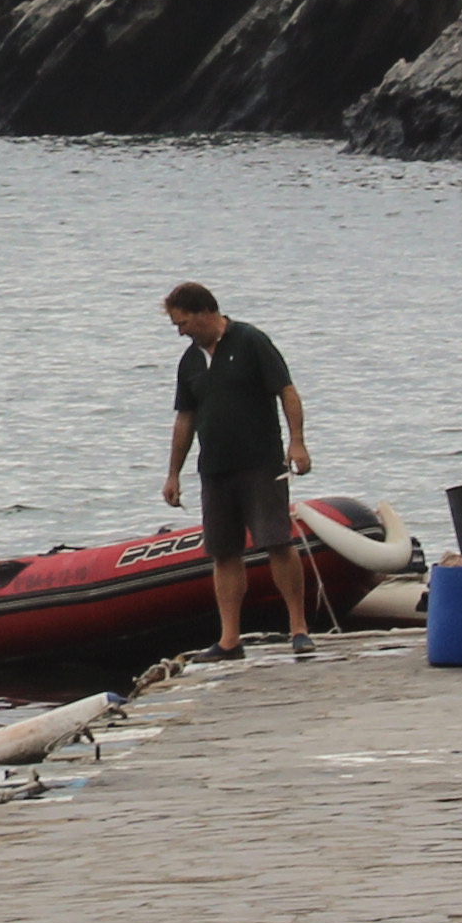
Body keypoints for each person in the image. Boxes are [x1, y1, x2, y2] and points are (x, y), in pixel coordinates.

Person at [156, 281, 315, 662]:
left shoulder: (250, 341)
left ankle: (299, 628)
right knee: (223, 551)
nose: (180, 332)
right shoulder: (190, 361)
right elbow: (185, 418)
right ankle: (230, 639)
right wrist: (173, 473)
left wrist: (297, 442)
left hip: (261, 461)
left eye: (183, 323)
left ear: (203, 313)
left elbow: (287, 391)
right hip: (215, 468)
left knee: (277, 541)